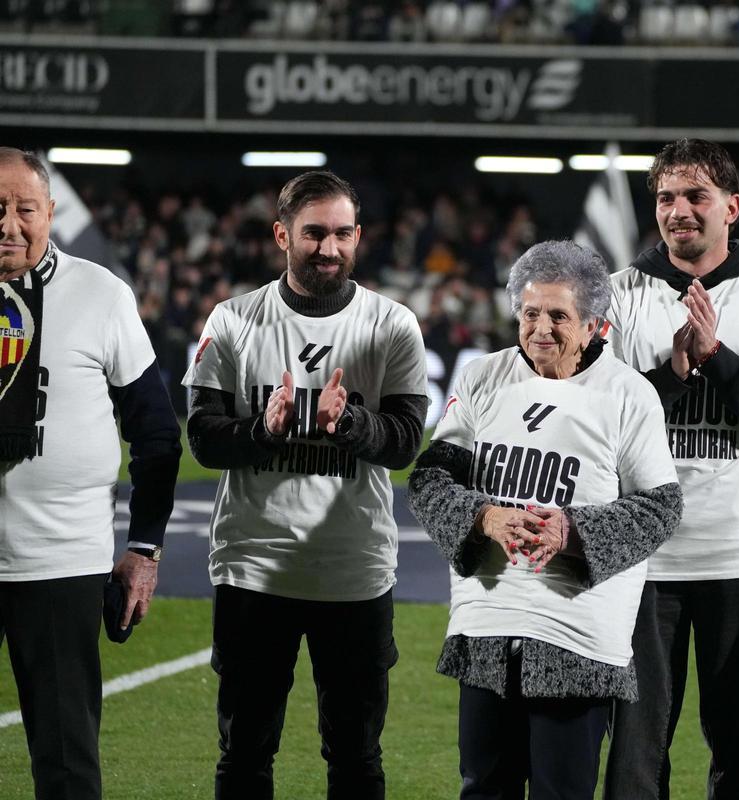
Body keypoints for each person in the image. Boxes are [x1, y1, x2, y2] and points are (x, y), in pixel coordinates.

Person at [182, 170, 429, 800]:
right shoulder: (235, 321)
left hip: (354, 572)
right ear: (281, 235)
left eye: (342, 234)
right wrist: (263, 432)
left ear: (358, 237)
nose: (329, 248)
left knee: (355, 758)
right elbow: (205, 438)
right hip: (254, 571)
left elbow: (404, 442)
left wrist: (348, 422)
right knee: (243, 756)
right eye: (314, 233)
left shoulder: (392, 324)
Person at [409, 240, 683, 800]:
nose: (541, 328)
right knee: (484, 787)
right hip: (486, 626)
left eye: (559, 315)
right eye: (530, 313)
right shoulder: (484, 377)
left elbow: (661, 506)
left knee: (564, 791)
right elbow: (431, 478)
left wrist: (572, 531)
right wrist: (483, 516)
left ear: (592, 325)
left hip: (575, 637)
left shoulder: (629, 395)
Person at [603, 138, 739, 800]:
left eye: (696, 196)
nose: (679, 211)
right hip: (642, 562)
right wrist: (672, 373)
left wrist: (718, 356)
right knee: (635, 757)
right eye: (667, 197)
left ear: (731, 205)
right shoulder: (617, 294)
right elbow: (599, 423)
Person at [0, 147, 181, 799]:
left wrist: (143, 547)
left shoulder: (101, 295)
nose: (10, 224)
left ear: (50, 212)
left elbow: (157, 434)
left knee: (68, 765)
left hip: (61, 564)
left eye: (25, 208)